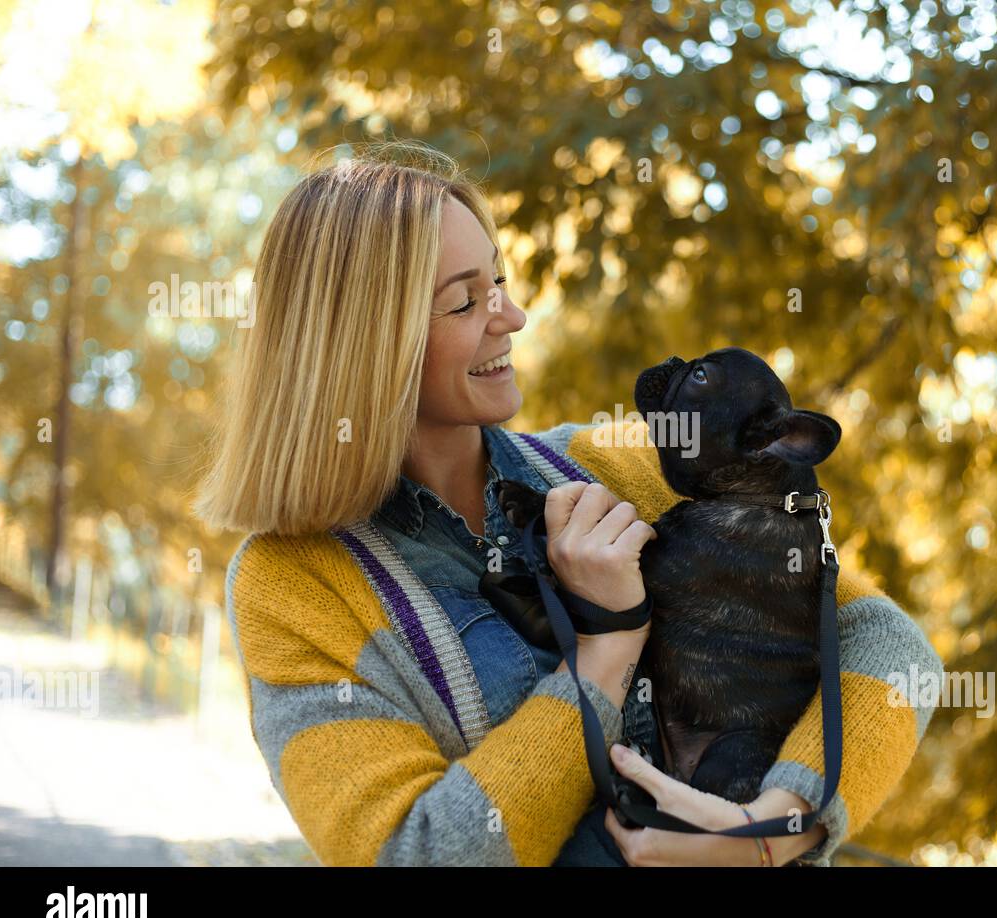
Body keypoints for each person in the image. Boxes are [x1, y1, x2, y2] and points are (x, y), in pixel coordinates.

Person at [196, 142, 943, 866]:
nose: (512, 316)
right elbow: (411, 850)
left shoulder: (612, 466)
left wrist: (780, 823)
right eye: (464, 302)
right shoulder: (290, 586)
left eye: (500, 280)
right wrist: (604, 651)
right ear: (362, 344)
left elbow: (885, 639)